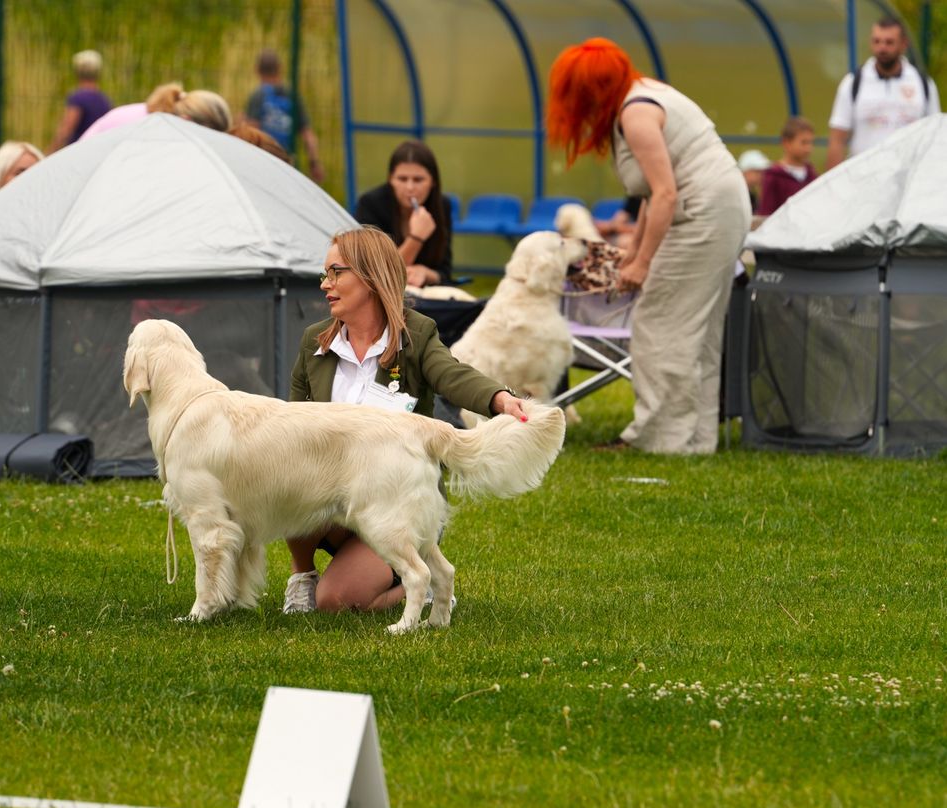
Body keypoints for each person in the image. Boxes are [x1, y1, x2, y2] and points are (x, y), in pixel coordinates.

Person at [282, 226, 529, 614]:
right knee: (291, 473)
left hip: (395, 504)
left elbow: (453, 375)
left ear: (370, 276)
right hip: (331, 500)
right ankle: (302, 576)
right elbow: (291, 427)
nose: (325, 284)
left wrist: (498, 399)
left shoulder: (416, 335)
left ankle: (423, 582)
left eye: (335, 273)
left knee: (335, 603)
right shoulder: (315, 342)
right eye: (324, 275)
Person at [547, 37, 750, 455]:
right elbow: (650, 196)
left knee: (661, 324)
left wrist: (642, 264)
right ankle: (695, 439)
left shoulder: (636, 114)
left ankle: (659, 439)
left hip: (702, 214)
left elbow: (665, 195)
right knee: (700, 330)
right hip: (719, 207)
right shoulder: (643, 97)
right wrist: (635, 251)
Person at [826, 15, 940, 169]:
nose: (882, 48)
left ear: (904, 44)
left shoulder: (923, 84)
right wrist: (833, 189)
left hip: (909, 179)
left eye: (889, 42)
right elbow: (837, 139)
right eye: (877, 41)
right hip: (863, 179)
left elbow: (935, 137)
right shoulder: (853, 83)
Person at [352, 140, 453, 287]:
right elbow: (377, 272)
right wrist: (416, 238)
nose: (410, 187)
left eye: (418, 180)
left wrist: (425, 273)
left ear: (433, 182)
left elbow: (444, 272)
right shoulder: (371, 204)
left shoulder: (442, 206)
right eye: (402, 179)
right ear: (390, 180)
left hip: (424, 296)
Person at [244, 48, 323, 183]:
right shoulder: (293, 96)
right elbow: (308, 135)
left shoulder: (258, 95)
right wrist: (314, 162)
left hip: (262, 161)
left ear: (257, 69)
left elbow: (251, 130)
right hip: (287, 161)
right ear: (280, 68)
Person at [48, 49, 112, 153]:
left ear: (77, 71)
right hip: (98, 150)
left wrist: (49, 152)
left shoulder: (77, 98)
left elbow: (67, 129)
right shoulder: (104, 99)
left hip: (78, 150)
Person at [758, 116, 818, 216]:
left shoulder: (812, 175)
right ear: (786, 143)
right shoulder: (772, 177)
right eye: (804, 143)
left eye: (811, 142)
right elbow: (766, 215)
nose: (809, 148)